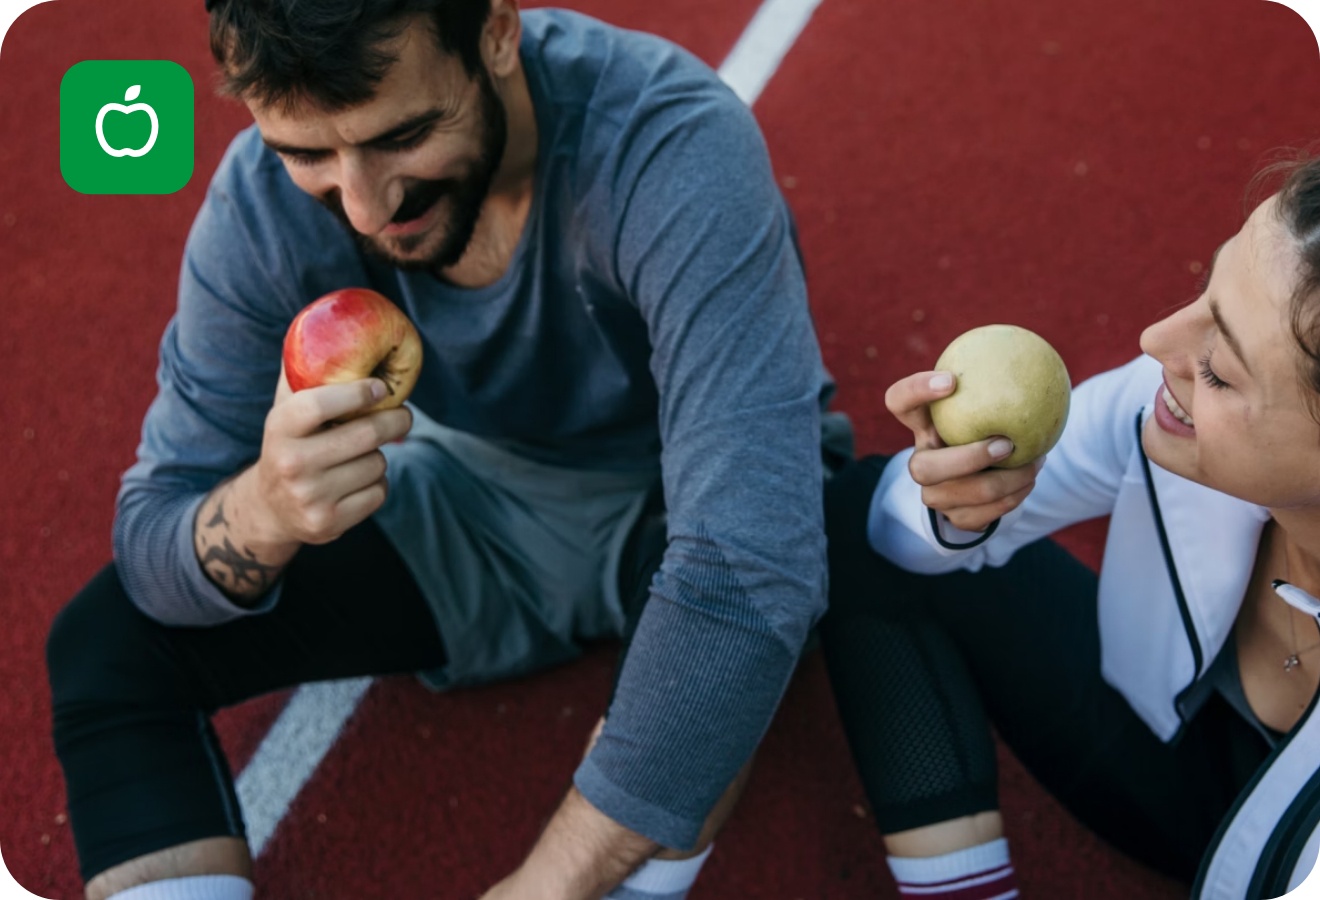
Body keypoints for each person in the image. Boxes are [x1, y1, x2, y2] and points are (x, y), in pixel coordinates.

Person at [44, 2, 852, 898]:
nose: (365, 204)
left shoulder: (668, 142)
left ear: (498, 30)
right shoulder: (262, 208)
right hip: (482, 495)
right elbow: (155, 531)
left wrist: (545, 883)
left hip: (678, 489)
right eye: (307, 153)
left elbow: (750, 559)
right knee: (106, 645)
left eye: (406, 134)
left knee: (717, 657)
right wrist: (268, 509)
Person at [820, 153, 1320, 900]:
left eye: (1219, 367)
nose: (1155, 339)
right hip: (1163, 763)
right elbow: (894, 532)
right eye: (1205, 291)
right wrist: (961, 502)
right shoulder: (1159, 407)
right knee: (858, 512)